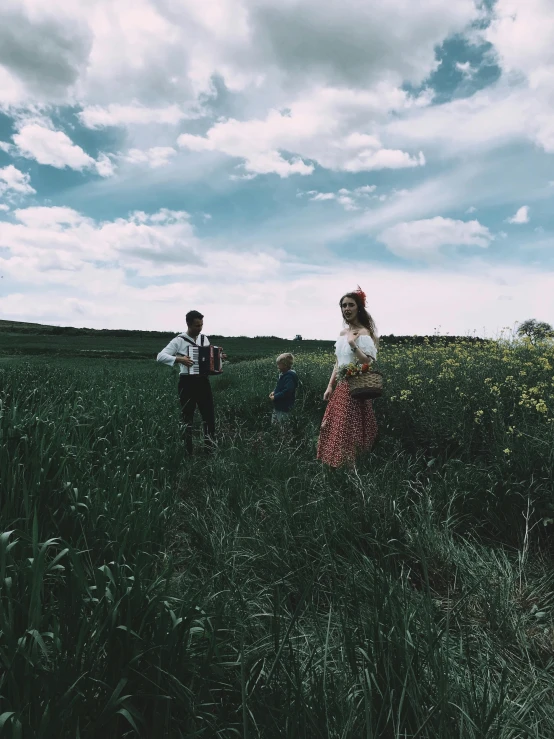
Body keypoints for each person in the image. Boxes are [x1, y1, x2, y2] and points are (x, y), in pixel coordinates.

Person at [317, 287, 378, 467]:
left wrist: (353, 344)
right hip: (341, 388)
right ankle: (333, 462)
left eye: (351, 305)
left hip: (356, 386)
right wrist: (330, 385)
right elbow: (338, 363)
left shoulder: (364, 333)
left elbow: (367, 362)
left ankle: (349, 464)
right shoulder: (342, 333)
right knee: (334, 425)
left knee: (348, 427)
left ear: (358, 308)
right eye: (344, 305)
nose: (347, 309)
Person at [157, 310, 219, 455]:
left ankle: (209, 451)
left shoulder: (205, 339)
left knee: (209, 417)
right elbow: (160, 356)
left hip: (203, 381)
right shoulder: (179, 340)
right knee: (187, 418)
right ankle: (187, 452)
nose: (200, 329)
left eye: (202, 325)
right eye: (197, 326)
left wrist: (218, 358)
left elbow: (208, 359)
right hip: (187, 382)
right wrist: (179, 359)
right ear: (188, 324)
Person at [269, 353, 298, 424]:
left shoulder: (289, 376)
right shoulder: (283, 375)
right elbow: (280, 387)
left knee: (283, 424)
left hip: (284, 406)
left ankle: (284, 435)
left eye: (279, 364)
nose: (277, 366)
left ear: (285, 365)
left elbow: (287, 391)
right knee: (275, 423)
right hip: (279, 405)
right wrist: (274, 392)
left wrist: (275, 397)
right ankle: (275, 434)